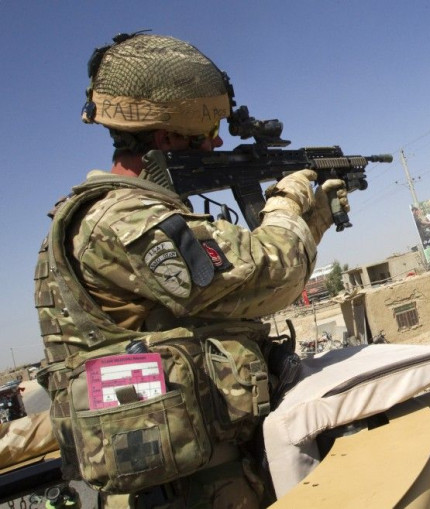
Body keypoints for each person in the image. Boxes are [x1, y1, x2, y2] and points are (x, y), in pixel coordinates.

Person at [33, 33, 349, 508]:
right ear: (165, 138)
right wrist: (288, 202)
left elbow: (242, 288)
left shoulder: (123, 212)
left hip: (199, 468)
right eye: (207, 133)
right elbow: (270, 277)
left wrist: (315, 220)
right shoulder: (126, 219)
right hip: (189, 486)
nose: (219, 141)